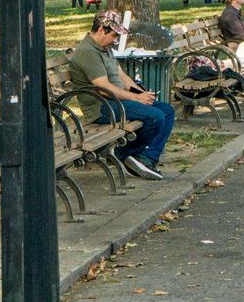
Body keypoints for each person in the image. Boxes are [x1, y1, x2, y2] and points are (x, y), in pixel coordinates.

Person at [67, 10, 175, 180]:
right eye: (114, 35)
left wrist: (140, 93)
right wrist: (136, 98)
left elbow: (121, 76)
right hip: (102, 107)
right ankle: (127, 154)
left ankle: (146, 158)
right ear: (101, 30)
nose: (115, 40)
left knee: (167, 111)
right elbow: (103, 87)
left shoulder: (104, 48)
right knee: (155, 116)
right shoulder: (88, 52)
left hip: (116, 101)